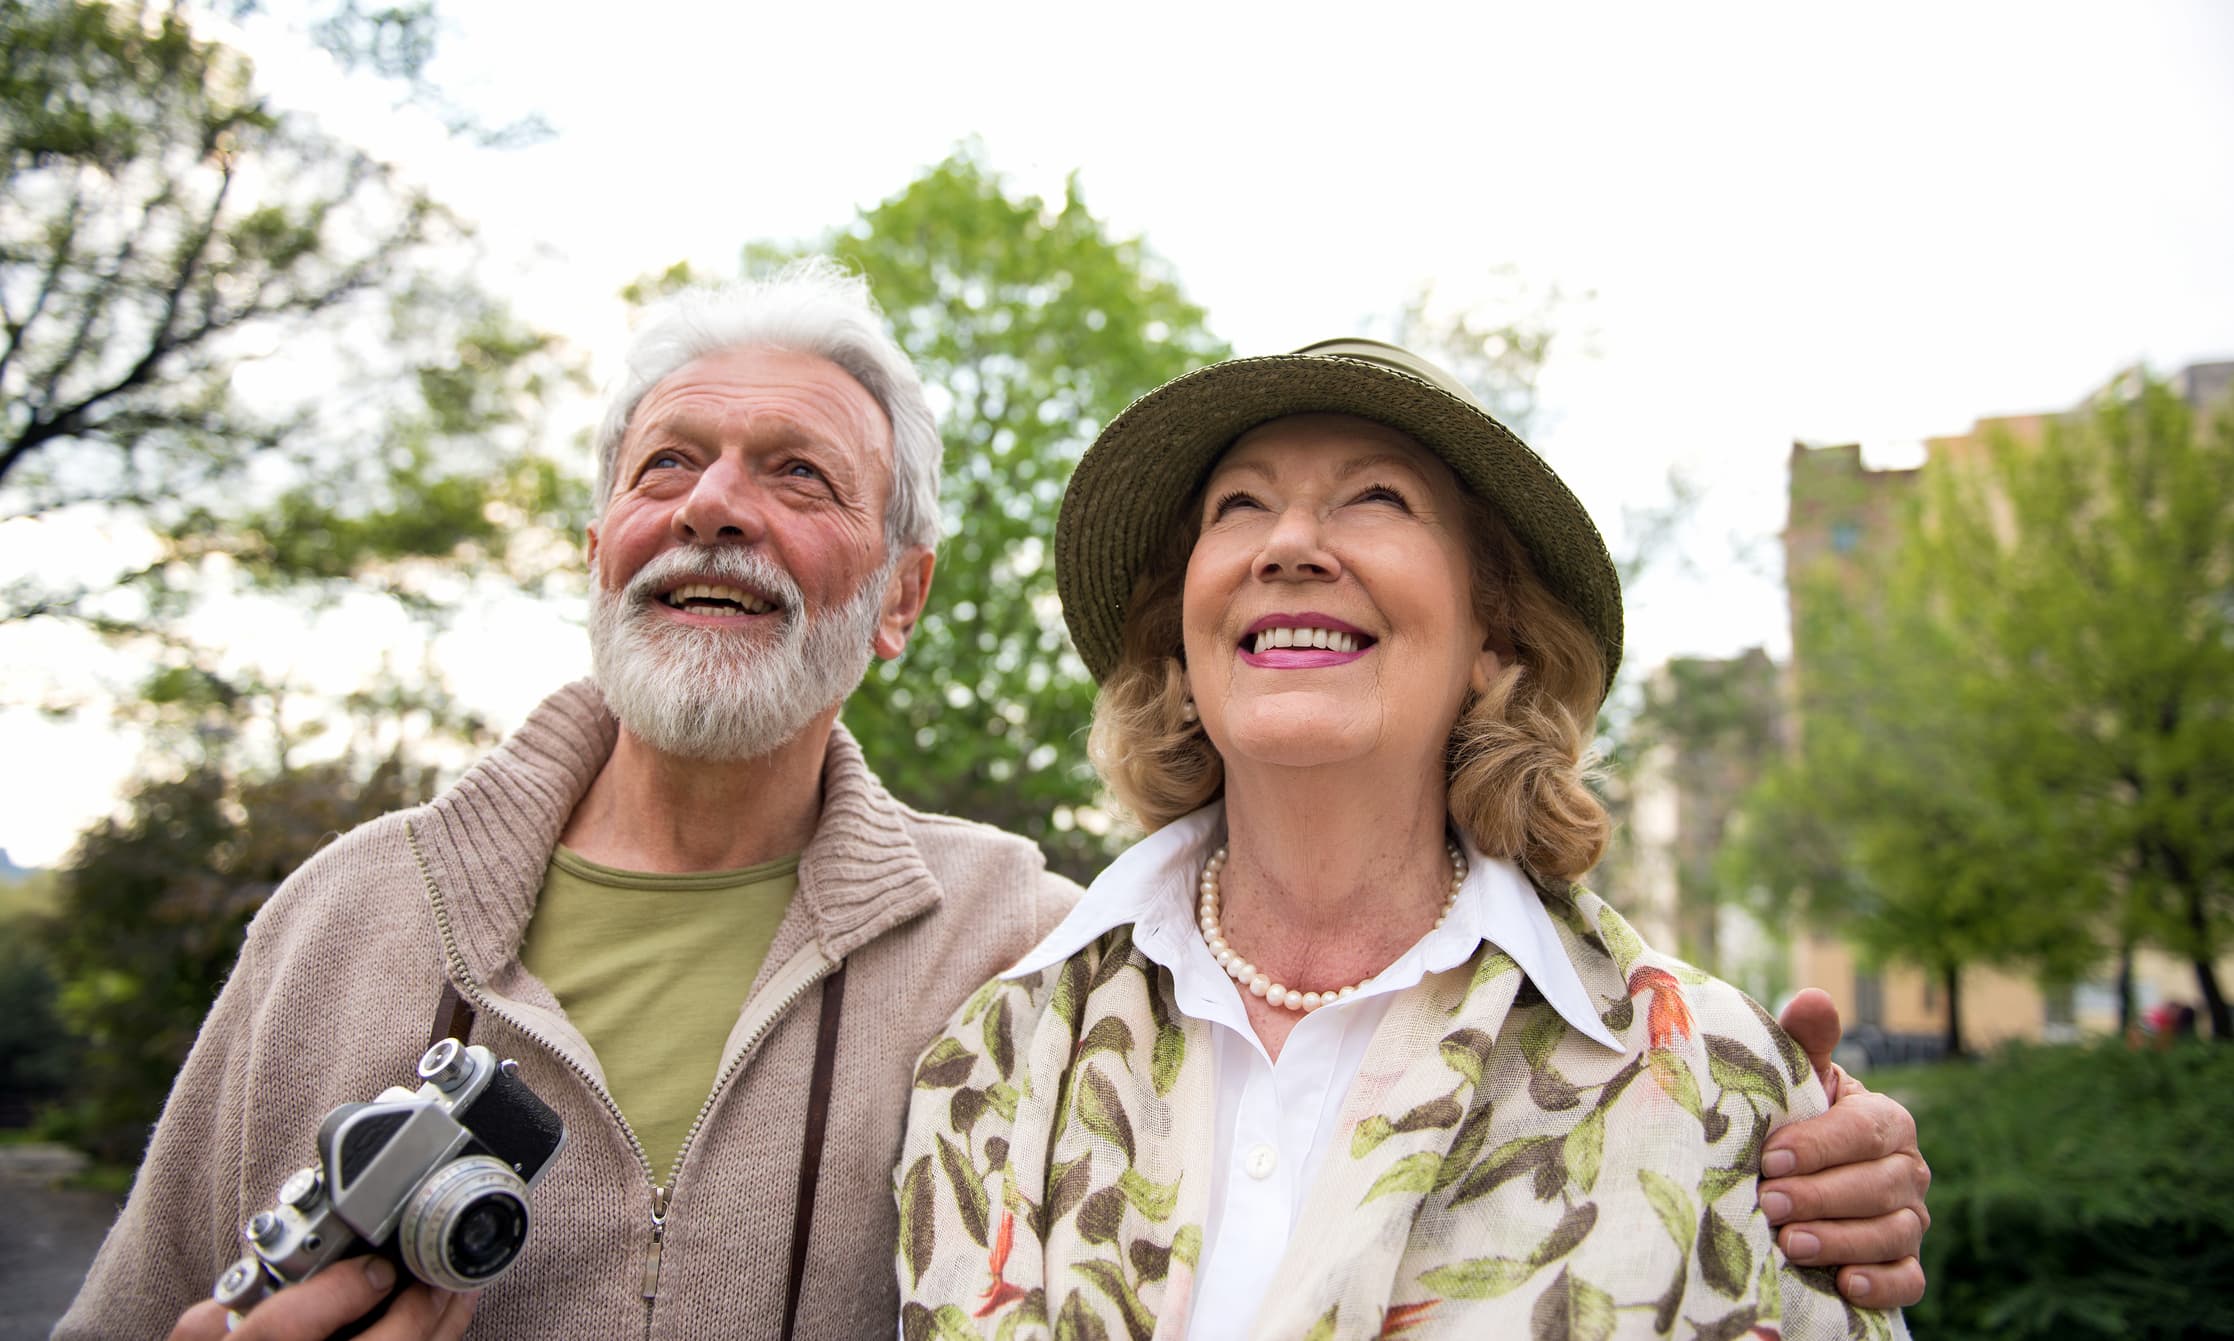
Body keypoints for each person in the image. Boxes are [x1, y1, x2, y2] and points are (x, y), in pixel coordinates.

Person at [60, 270, 1917, 1341]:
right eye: (667, 464)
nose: (714, 504)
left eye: (797, 473)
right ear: (600, 534)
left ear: (899, 596)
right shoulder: (340, 926)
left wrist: (1833, 1167)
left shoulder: (998, 951)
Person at [895, 339, 1925, 1338]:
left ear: (1492, 636)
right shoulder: (994, 1059)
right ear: (1181, 638)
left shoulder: (1722, 1090)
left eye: (1375, 498)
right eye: (1238, 505)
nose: (1287, 543)